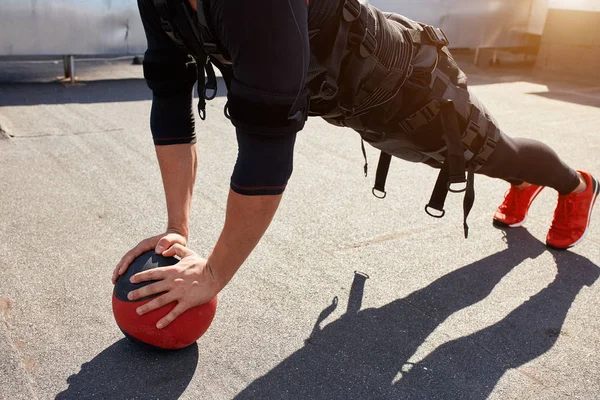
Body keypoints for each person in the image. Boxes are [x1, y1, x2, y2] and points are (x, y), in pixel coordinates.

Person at [112, 0, 599, 329]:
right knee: (483, 159)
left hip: (409, 89)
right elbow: (171, 96)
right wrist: (177, 227)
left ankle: (574, 185)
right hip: (342, 100)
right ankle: (523, 180)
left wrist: (212, 275)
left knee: (492, 152)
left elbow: (267, 145)